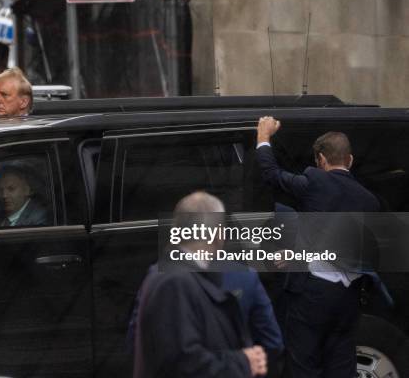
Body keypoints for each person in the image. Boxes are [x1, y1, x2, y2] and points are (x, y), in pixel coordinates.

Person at [256, 116, 381, 378]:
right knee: (340, 366)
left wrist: (263, 138)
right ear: (350, 160)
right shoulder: (370, 202)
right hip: (348, 299)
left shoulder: (314, 182)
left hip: (312, 295)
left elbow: (271, 174)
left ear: (321, 160)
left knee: (303, 365)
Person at [133, 191, 267, 378]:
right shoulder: (175, 283)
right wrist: (243, 363)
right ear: (218, 236)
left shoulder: (173, 275)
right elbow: (183, 364)